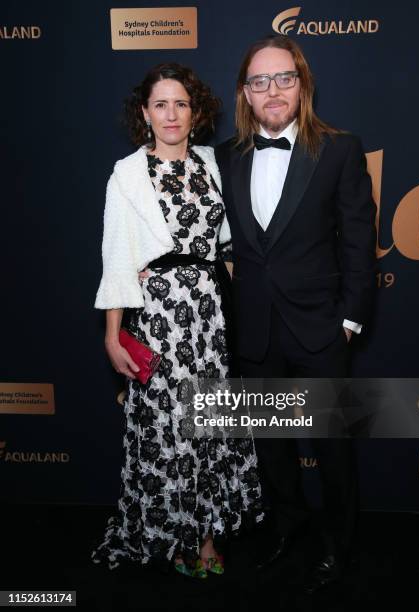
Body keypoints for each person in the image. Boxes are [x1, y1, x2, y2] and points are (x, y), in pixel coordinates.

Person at [215, 35, 377, 593]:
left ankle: (340, 545)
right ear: (245, 92)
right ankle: (288, 530)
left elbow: (359, 240)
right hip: (255, 328)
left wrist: (350, 319)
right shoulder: (228, 155)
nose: (273, 90)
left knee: (331, 448)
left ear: (302, 84)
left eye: (284, 78)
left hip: (319, 328)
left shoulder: (338, 149)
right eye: (259, 81)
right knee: (273, 449)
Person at [91, 63, 263, 578]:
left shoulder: (214, 164)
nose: (171, 114)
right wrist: (112, 334)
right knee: (170, 430)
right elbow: (117, 257)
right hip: (161, 317)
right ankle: (176, 533)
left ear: (197, 112)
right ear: (145, 113)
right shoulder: (127, 174)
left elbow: (233, 241)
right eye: (160, 104)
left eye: (181, 104)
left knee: (207, 426)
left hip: (210, 317)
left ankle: (206, 534)